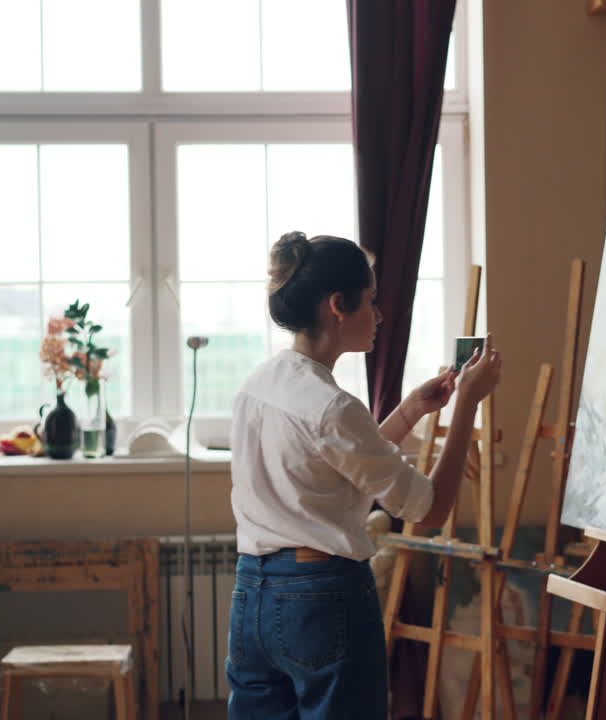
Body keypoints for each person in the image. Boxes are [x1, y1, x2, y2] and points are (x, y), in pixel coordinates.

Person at [227, 231, 502, 719]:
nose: (378, 315)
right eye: (371, 301)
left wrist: (414, 408)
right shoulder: (334, 406)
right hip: (321, 595)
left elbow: (338, 464)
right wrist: (467, 408)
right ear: (338, 305)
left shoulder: (258, 384)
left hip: (252, 591)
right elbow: (431, 507)